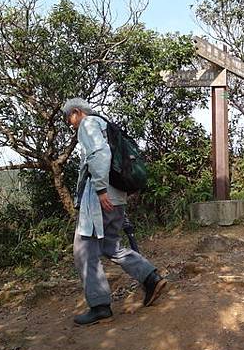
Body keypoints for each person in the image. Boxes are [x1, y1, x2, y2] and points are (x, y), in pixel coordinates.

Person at [62, 98, 166, 326]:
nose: (70, 123)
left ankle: (99, 307)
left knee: (84, 250)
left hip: (101, 198)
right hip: (116, 196)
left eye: (68, 118)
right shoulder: (105, 124)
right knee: (110, 246)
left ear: (77, 112)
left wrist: (99, 188)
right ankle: (150, 278)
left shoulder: (88, 124)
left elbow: (99, 154)